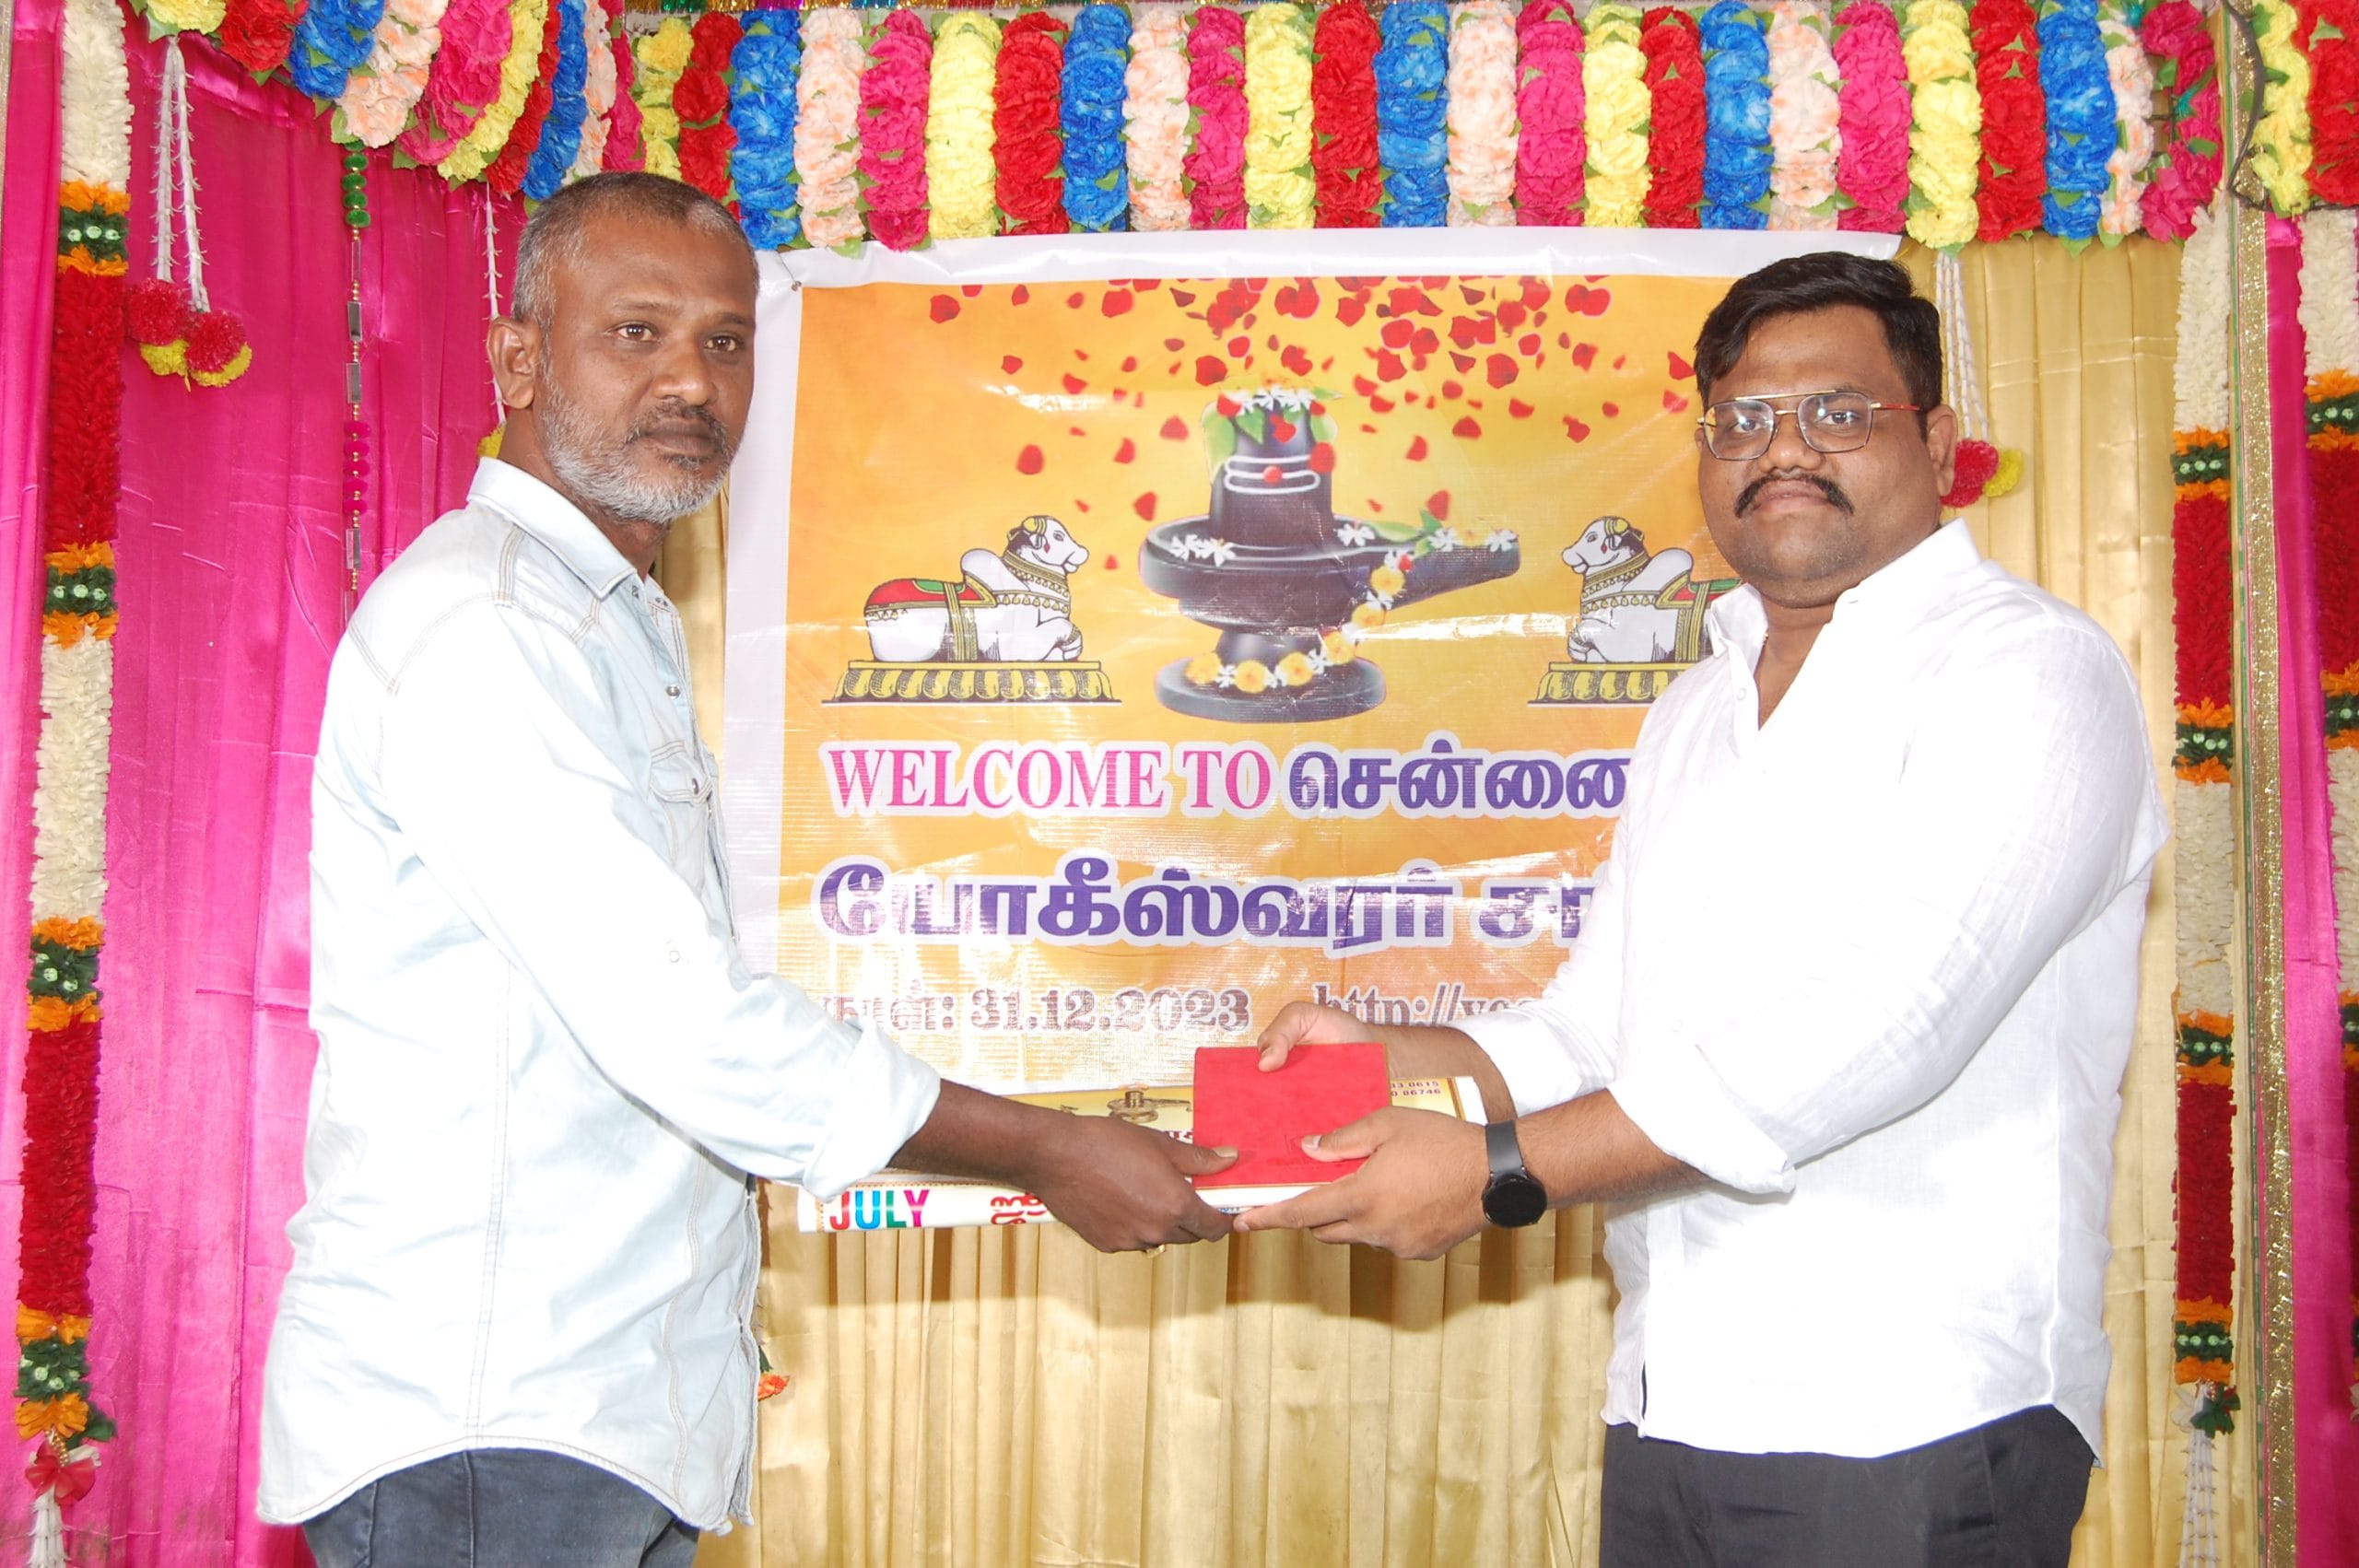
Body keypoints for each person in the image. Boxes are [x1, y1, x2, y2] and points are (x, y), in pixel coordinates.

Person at [257, 173, 1236, 1568]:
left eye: (724, 342)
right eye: (636, 333)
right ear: (519, 358)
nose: (690, 383)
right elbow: (683, 1025)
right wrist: (1050, 1148)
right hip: (492, 1416)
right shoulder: (487, 626)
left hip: (605, 1412)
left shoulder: (613, 622)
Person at [1239, 252, 2164, 1566]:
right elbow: (1591, 1032)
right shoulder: (1695, 704)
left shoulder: (2029, 670)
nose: (1784, 448)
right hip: (1672, 1402)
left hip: (1915, 1418)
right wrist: (1393, 1060)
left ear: (1937, 440)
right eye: (1743, 419)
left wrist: (1498, 1175)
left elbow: (1892, 1022)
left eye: (1837, 411)